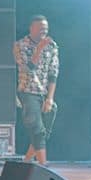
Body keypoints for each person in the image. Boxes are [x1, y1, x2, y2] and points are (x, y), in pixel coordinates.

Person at [13, 15, 59, 165]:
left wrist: (50, 98)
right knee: (38, 130)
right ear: (31, 29)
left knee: (44, 132)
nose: (43, 32)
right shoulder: (20, 45)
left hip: (44, 92)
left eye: (45, 29)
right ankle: (43, 167)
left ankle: (26, 161)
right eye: (40, 29)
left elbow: (53, 73)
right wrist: (38, 49)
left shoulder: (52, 46)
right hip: (27, 91)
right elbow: (27, 69)